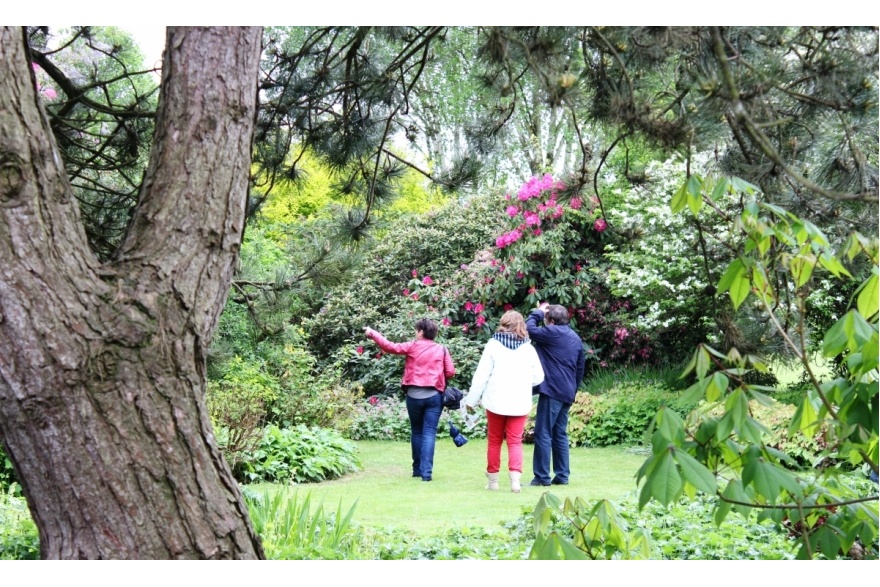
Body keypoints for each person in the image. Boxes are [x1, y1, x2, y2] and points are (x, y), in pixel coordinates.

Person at [463, 310, 545, 493]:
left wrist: (471, 400)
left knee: (494, 441)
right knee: (515, 442)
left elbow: (481, 376)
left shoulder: (493, 345)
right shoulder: (528, 349)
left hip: (495, 400)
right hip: (519, 401)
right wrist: (524, 384)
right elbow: (539, 377)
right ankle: (515, 481)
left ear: (503, 323)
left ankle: (493, 482)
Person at [364, 319, 455, 482]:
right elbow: (450, 372)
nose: (415, 333)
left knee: (417, 432)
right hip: (434, 396)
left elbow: (389, 346)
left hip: (413, 395)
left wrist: (372, 333)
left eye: (416, 330)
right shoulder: (442, 349)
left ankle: (417, 470)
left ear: (421, 332)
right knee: (429, 433)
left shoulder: (412, 346)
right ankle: (426, 474)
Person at [526, 303, 585, 487]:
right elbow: (580, 367)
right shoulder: (575, 338)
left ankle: (542, 477)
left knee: (543, 432)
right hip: (567, 390)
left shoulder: (552, 332)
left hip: (552, 390)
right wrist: (573, 390)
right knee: (559, 433)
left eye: (546, 319)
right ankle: (562, 475)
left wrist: (537, 312)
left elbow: (529, 329)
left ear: (551, 321)